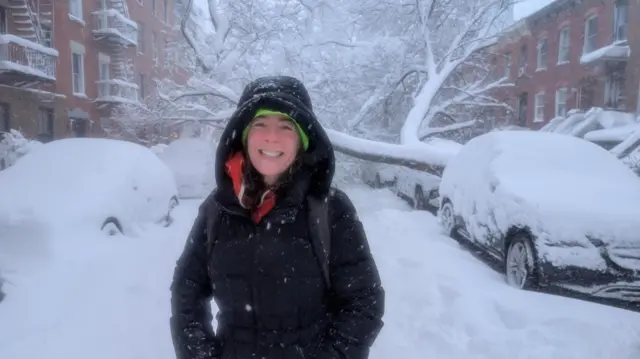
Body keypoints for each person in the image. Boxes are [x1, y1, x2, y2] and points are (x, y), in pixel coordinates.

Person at [169, 75, 385, 359]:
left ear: (302, 140)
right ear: (244, 136)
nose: (272, 136)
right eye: (260, 124)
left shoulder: (331, 210)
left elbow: (363, 301)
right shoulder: (217, 208)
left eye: (286, 126)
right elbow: (187, 291)